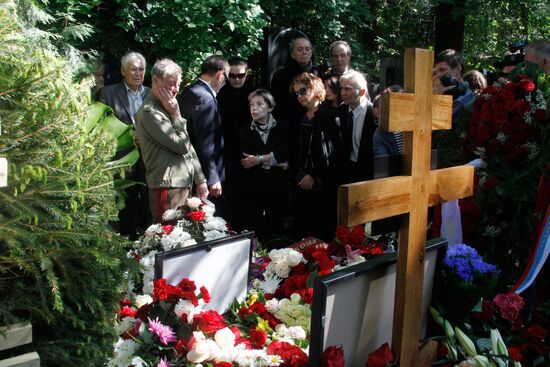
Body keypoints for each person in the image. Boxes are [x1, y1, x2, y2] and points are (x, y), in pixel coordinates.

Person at [135, 59, 208, 223]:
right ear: (155, 80)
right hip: (166, 186)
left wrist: (200, 179)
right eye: (171, 84)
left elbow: (188, 145)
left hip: (182, 183)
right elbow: (181, 145)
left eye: (178, 84)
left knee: (183, 237)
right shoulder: (149, 112)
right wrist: (176, 115)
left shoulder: (167, 105)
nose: (175, 89)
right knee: (168, 237)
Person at [99, 51, 150, 237]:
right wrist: (130, 135)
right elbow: (103, 125)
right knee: (124, 202)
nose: (138, 73)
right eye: (133, 69)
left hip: (147, 157)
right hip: (122, 157)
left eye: (141, 69)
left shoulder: (151, 94)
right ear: (123, 71)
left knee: (146, 199)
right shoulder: (108, 93)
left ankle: (145, 241)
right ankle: (124, 241)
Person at [291, 73, 342, 241]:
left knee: (322, 233)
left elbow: (335, 154)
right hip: (300, 182)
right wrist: (301, 174)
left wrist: (314, 176)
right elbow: (295, 152)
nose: (299, 96)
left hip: (324, 186)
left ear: (314, 88)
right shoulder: (298, 117)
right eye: (296, 93)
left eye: (303, 91)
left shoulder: (331, 115)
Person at [179, 55, 229, 214]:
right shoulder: (205, 97)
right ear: (220, 74)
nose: (224, 83)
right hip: (203, 175)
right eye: (226, 78)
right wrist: (212, 178)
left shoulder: (189, 91)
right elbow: (205, 143)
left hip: (189, 168)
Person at [238, 89, 289, 240]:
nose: (254, 108)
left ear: (270, 107)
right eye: (251, 104)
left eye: (259, 104)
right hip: (253, 187)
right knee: (255, 228)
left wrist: (258, 160)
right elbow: (246, 161)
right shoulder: (244, 130)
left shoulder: (282, 127)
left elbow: (284, 153)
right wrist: (276, 162)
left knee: (276, 228)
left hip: (277, 186)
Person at [217, 56, 255, 230]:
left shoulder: (254, 93)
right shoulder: (220, 95)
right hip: (229, 154)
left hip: (252, 154)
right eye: (233, 76)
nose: (237, 79)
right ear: (226, 75)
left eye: (241, 75)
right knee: (231, 197)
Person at [338, 70, 376, 184]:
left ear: (362, 91)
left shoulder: (375, 114)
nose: (342, 93)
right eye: (341, 88)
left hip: (368, 175)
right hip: (344, 174)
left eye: (347, 89)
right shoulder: (341, 112)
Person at [271, 37, 318, 124]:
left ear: (311, 52)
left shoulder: (319, 74)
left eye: (307, 49)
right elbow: (276, 104)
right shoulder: (280, 76)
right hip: (288, 125)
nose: (304, 52)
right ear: (292, 54)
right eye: (300, 49)